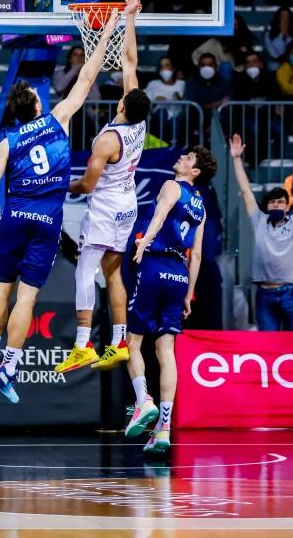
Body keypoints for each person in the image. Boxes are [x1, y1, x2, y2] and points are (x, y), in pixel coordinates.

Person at [0, 2, 121, 404]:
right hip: (46, 219)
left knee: (1, 290)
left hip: (15, 215)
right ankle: (9, 367)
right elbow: (88, 75)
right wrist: (106, 30)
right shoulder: (58, 119)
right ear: (37, 106)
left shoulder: (7, 141)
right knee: (26, 297)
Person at [58, 0, 151, 374]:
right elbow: (130, 60)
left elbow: (86, 186)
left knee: (85, 271)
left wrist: (59, 184)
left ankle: (82, 346)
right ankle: (119, 342)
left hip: (107, 207)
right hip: (128, 205)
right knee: (113, 273)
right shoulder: (140, 122)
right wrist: (130, 16)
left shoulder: (107, 140)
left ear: (121, 105)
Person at [124, 146, 218, 454]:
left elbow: (160, 214)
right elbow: (198, 254)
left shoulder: (171, 186)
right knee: (166, 351)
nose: (182, 157)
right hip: (179, 275)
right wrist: (189, 293)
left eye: (189, 158)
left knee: (132, 342)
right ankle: (163, 429)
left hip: (155, 265)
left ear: (195, 172)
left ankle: (143, 401)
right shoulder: (202, 207)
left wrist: (144, 243)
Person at [230, 135, 293, 330]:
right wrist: (236, 159)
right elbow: (246, 191)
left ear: (287, 206)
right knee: (268, 344)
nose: (276, 205)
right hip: (264, 294)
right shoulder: (259, 220)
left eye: (280, 202)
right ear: (267, 206)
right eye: (272, 202)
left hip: (291, 294)